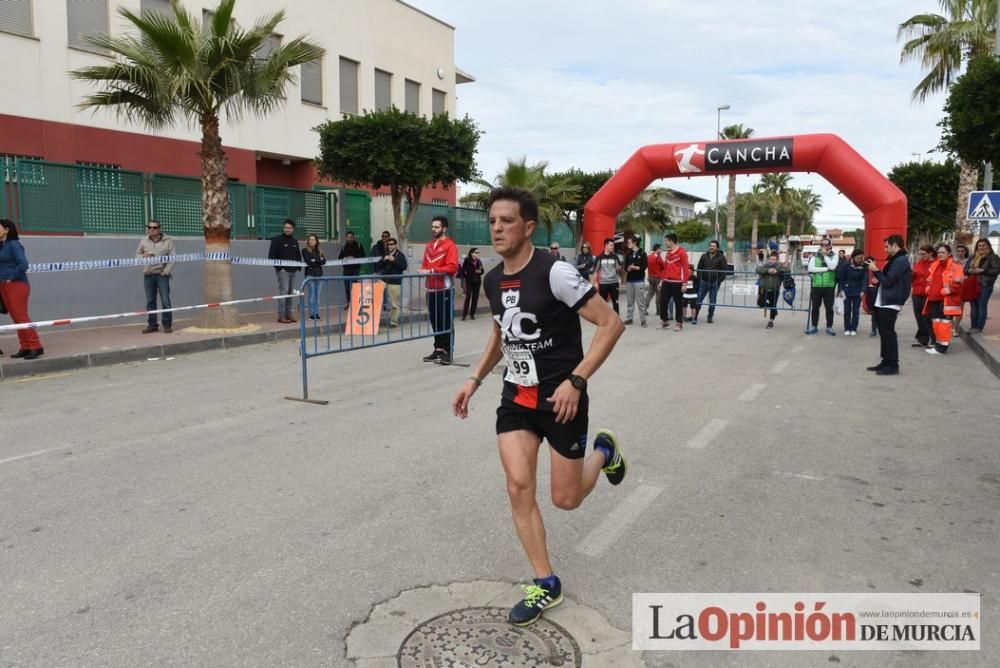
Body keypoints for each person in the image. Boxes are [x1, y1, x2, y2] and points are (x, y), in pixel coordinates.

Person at [451, 186, 627, 628]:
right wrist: (473, 379)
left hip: (561, 399)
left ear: (528, 227)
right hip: (517, 397)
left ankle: (604, 452)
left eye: (507, 221)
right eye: (492, 221)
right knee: (517, 486)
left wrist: (576, 380)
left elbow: (611, 324)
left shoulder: (556, 273)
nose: (497, 228)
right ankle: (545, 582)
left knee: (566, 499)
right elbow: (501, 334)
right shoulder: (492, 279)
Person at [865, 235, 912, 375]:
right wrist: (878, 278)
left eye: (887, 246)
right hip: (883, 301)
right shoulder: (894, 260)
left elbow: (889, 281)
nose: (885, 249)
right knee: (884, 333)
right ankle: (885, 361)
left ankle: (892, 365)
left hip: (890, 302)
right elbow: (886, 281)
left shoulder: (901, 260)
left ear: (895, 245)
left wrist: (875, 270)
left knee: (888, 334)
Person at [0, 219, 43, 359]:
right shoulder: (2, 246)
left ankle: (35, 346)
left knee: (21, 317)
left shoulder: (14, 244)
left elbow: (23, 264)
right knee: (16, 318)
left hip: (17, 285)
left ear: (6, 229)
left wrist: (11, 277)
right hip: (4, 285)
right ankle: (25, 347)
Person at [420, 215, 459, 364]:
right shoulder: (429, 245)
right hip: (431, 290)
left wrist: (431, 271)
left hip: (444, 289)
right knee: (435, 321)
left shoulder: (450, 245)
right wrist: (423, 270)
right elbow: (424, 264)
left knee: (445, 321)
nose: (433, 229)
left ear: (444, 228)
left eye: (436, 227)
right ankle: (438, 349)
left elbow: (452, 267)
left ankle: (448, 352)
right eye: (432, 227)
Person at [923, 243, 964, 355]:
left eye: (943, 252)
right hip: (934, 299)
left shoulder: (956, 267)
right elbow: (929, 280)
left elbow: (958, 284)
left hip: (947, 301)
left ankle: (942, 348)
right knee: (936, 323)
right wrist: (928, 289)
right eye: (939, 252)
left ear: (949, 253)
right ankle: (938, 345)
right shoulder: (935, 265)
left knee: (944, 324)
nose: (940, 254)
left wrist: (948, 290)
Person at [136, 219, 176, 334]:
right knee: (150, 301)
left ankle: (167, 324)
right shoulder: (144, 241)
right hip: (148, 275)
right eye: (150, 227)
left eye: (154, 228)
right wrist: (144, 256)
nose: (151, 230)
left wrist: (166, 271)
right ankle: (152, 325)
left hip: (162, 275)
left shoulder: (168, 241)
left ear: (159, 229)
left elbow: (173, 258)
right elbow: (137, 255)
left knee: (165, 301)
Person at [268, 219, 302, 323]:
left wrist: (298, 267)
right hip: (283, 272)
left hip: (293, 271)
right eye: (286, 227)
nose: (287, 229)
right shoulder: (276, 240)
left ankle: (289, 314)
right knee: (284, 292)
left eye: (290, 228)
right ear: (283, 228)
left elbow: (298, 255)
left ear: (293, 229)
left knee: (290, 293)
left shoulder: (295, 241)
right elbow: (271, 256)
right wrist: (280, 268)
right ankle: (281, 316)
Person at [966, 238, 1000, 333]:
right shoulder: (972, 257)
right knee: (973, 306)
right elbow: (965, 270)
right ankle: (973, 326)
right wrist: (970, 271)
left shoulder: (993, 257)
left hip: (985, 285)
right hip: (972, 284)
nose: (981, 247)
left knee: (981, 306)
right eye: (979, 245)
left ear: (988, 246)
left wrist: (983, 270)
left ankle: (979, 327)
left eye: (984, 245)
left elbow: (996, 270)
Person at [806, 237, 838, 335]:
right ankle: (814, 326)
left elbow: (832, 266)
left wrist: (825, 256)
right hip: (816, 285)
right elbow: (811, 269)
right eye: (822, 245)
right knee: (815, 307)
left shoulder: (834, 256)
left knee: (829, 308)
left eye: (826, 244)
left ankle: (829, 327)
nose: (824, 246)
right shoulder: (815, 256)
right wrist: (825, 269)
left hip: (829, 286)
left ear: (830, 246)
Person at [375, 237, 407, 328]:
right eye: (388, 244)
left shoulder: (400, 255)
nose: (389, 246)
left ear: (395, 245)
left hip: (394, 281)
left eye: (392, 244)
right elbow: (378, 266)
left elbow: (404, 266)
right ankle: (373, 321)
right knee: (375, 299)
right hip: (383, 279)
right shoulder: (385, 254)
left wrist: (394, 260)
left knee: (394, 303)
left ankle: (393, 322)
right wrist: (383, 260)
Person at [659, 233, 689, 331]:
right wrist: (661, 281)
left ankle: (679, 323)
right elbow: (665, 268)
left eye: (666, 241)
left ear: (671, 241)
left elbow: (685, 269)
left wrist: (684, 283)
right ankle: (665, 321)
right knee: (662, 301)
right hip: (667, 281)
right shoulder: (668, 253)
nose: (665, 242)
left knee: (678, 303)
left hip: (678, 282)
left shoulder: (682, 253)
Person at [694, 240, 727, 324]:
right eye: (710, 246)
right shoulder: (704, 256)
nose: (711, 247)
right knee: (698, 300)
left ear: (717, 248)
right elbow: (699, 269)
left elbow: (724, 271)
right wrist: (699, 279)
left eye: (713, 246)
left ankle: (710, 317)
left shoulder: (721, 257)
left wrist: (718, 281)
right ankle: (695, 316)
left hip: (714, 283)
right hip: (704, 282)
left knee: (712, 301)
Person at [836, 249, 867, 335]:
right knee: (847, 311)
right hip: (846, 291)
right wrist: (840, 290)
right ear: (853, 258)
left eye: (861, 258)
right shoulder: (845, 265)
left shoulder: (863, 267)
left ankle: (854, 328)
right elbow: (841, 279)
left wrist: (863, 290)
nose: (860, 260)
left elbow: (865, 279)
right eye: (858, 258)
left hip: (858, 291)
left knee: (856, 311)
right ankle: (847, 328)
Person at [909, 244, 935, 348]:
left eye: (923, 254)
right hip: (916, 293)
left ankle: (932, 338)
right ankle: (922, 338)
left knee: (927, 317)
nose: (921, 256)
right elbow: (913, 278)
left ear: (930, 253)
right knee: (919, 317)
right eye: (919, 254)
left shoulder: (935, 264)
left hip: (927, 293)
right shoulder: (918, 264)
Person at [755, 251, 786, 328]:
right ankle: (774, 309)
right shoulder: (765, 265)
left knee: (773, 304)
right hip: (764, 289)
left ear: (776, 260)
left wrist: (777, 271)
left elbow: (787, 270)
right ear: (768, 259)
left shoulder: (779, 266)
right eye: (771, 259)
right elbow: (757, 269)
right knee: (760, 303)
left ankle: (771, 321)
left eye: (774, 259)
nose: (772, 261)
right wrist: (767, 271)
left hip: (775, 289)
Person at [622, 236, 648, 327]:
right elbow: (625, 268)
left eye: (629, 243)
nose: (628, 244)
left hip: (639, 281)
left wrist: (634, 267)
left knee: (640, 301)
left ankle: (643, 320)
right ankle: (629, 318)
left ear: (634, 243)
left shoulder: (643, 253)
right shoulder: (628, 254)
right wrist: (629, 268)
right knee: (630, 301)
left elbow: (644, 267)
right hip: (629, 281)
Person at [337, 230, 365, 310]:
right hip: (346, 270)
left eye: (351, 237)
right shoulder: (344, 247)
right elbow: (339, 258)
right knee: (347, 287)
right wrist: (345, 258)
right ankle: (349, 302)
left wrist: (354, 257)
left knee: (355, 286)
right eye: (348, 237)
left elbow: (363, 256)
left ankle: (356, 303)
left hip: (355, 269)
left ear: (353, 237)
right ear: (346, 238)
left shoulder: (359, 245)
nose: (349, 238)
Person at [301, 233, 327, 320]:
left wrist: (316, 260)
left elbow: (324, 261)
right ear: (308, 241)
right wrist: (319, 260)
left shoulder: (319, 251)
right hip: (310, 275)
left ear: (316, 241)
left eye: (313, 240)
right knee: (312, 295)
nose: (311, 241)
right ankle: (312, 314)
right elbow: (309, 262)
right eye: (310, 239)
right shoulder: (305, 250)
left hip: (319, 275)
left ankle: (317, 313)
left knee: (317, 295)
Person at [594, 239, 622, 314]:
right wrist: (595, 282)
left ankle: (617, 319)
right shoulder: (599, 257)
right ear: (606, 246)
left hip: (614, 282)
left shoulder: (615, 257)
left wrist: (619, 277)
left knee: (615, 302)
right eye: (611, 245)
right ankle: (603, 319)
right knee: (603, 302)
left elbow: (618, 269)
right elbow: (596, 271)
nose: (612, 247)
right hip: (603, 283)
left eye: (613, 245)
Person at [460, 247, 484, 321]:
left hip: (477, 282)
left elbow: (482, 271)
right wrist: (467, 276)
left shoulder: (479, 261)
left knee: (475, 298)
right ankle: (464, 315)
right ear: (472, 253)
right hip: (469, 282)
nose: (478, 254)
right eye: (476, 252)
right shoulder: (467, 260)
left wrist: (479, 272)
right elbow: (462, 271)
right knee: (468, 298)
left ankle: (472, 314)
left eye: (479, 252)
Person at [953, 244, 971, 333]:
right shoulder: (953, 261)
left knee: (960, 307)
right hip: (952, 286)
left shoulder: (968, 262)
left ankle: (955, 328)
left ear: (965, 252)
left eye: (962, 251)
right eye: (958, 251)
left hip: (962, 287)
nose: (960, 253)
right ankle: (950, 326)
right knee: (951, 307)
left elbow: (969, 274)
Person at [645, 243, 664, 317]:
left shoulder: (649, 257)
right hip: (658, 278)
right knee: (658, 295)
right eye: (660, 249)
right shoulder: (658, 258)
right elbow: (663, 267)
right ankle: (658, 310)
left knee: (649, 294)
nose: (661, 250)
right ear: (657, 249)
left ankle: (644, 308)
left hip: (650, 277)